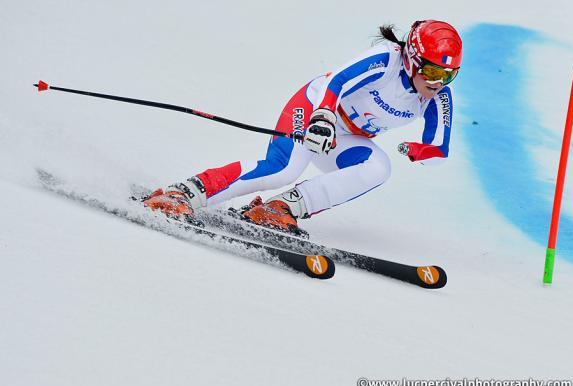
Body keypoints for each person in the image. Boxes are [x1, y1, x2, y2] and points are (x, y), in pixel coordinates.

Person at [144, 20, 463, 235]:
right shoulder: (386, 61)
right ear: (411, 58)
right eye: (433, 72)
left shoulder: (438, 97)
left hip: (346, 136)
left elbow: (439, 149)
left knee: (379, 167)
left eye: (448, 75)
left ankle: (281, 208)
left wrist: (420, 151)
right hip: (314, 109)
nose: (438, 83)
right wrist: (323, 116)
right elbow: (337, 82)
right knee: (281, 170)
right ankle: (182, 193)